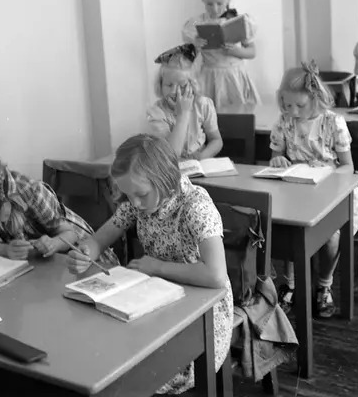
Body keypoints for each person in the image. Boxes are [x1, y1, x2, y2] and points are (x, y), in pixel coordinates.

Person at [66, 134, 233, 395]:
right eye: (128, 194)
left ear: (165, 179)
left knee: (131, 372)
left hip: (203, 317)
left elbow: (216, 276)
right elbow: (100, 239)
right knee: (104, 355)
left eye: (141, 194)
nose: (134, 203)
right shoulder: (139, 202)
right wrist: (86, 251)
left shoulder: (196, 206)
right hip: (157, 302)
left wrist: (156, 267)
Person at [268, 62, 358, 318]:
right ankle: (291, 284)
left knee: (332, 236)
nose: (293, 111)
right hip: (295, 192)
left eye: (300, 106)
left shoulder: (333, 123)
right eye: (287, 105)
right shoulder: (284, 123)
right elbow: (276, 157)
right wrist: (278, 160)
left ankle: (324, 284)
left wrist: (327, 172)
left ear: (315, 98)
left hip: (331, 193)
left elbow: (348, 166)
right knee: (287, 227)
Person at [182, 0, 259, 108]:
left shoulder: (238, 21)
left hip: (234, 76)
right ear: (203, 0)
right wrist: (195, 44)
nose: (215, 9)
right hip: (209, 76)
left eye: (219, 3)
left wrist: (236, 51)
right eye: (209, 4)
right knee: (210, 113)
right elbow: (188, 56)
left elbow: (252, 52)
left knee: (238, 112)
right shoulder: (196, 22)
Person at [147, 43, 223, 160]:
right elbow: (171, 154)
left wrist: (201, 157)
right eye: (169, 85)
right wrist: (183, 114)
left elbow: (216, 140)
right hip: (171, 165)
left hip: (200, 163)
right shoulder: (156, 113)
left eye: (182, 86)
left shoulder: (204, 105)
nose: (174, 92)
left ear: (193, 85)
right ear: (160, 85)